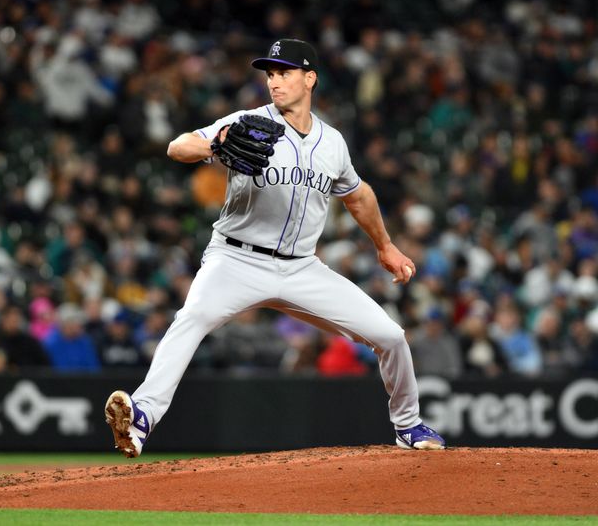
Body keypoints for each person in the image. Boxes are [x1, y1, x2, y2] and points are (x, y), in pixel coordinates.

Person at [105, 39, 445, 457]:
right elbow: (179, 146)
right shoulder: (248, 122)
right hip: (236, 258)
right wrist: (215, 145)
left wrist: (386, 246)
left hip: (302, 268)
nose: (274, 81)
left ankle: (408, 426)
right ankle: (141, 416)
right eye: (270, 73)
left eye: (284, 72)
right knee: (191, 319)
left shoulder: (332, 143)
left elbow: (357, 196)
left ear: (310, 78)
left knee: (390, 336)